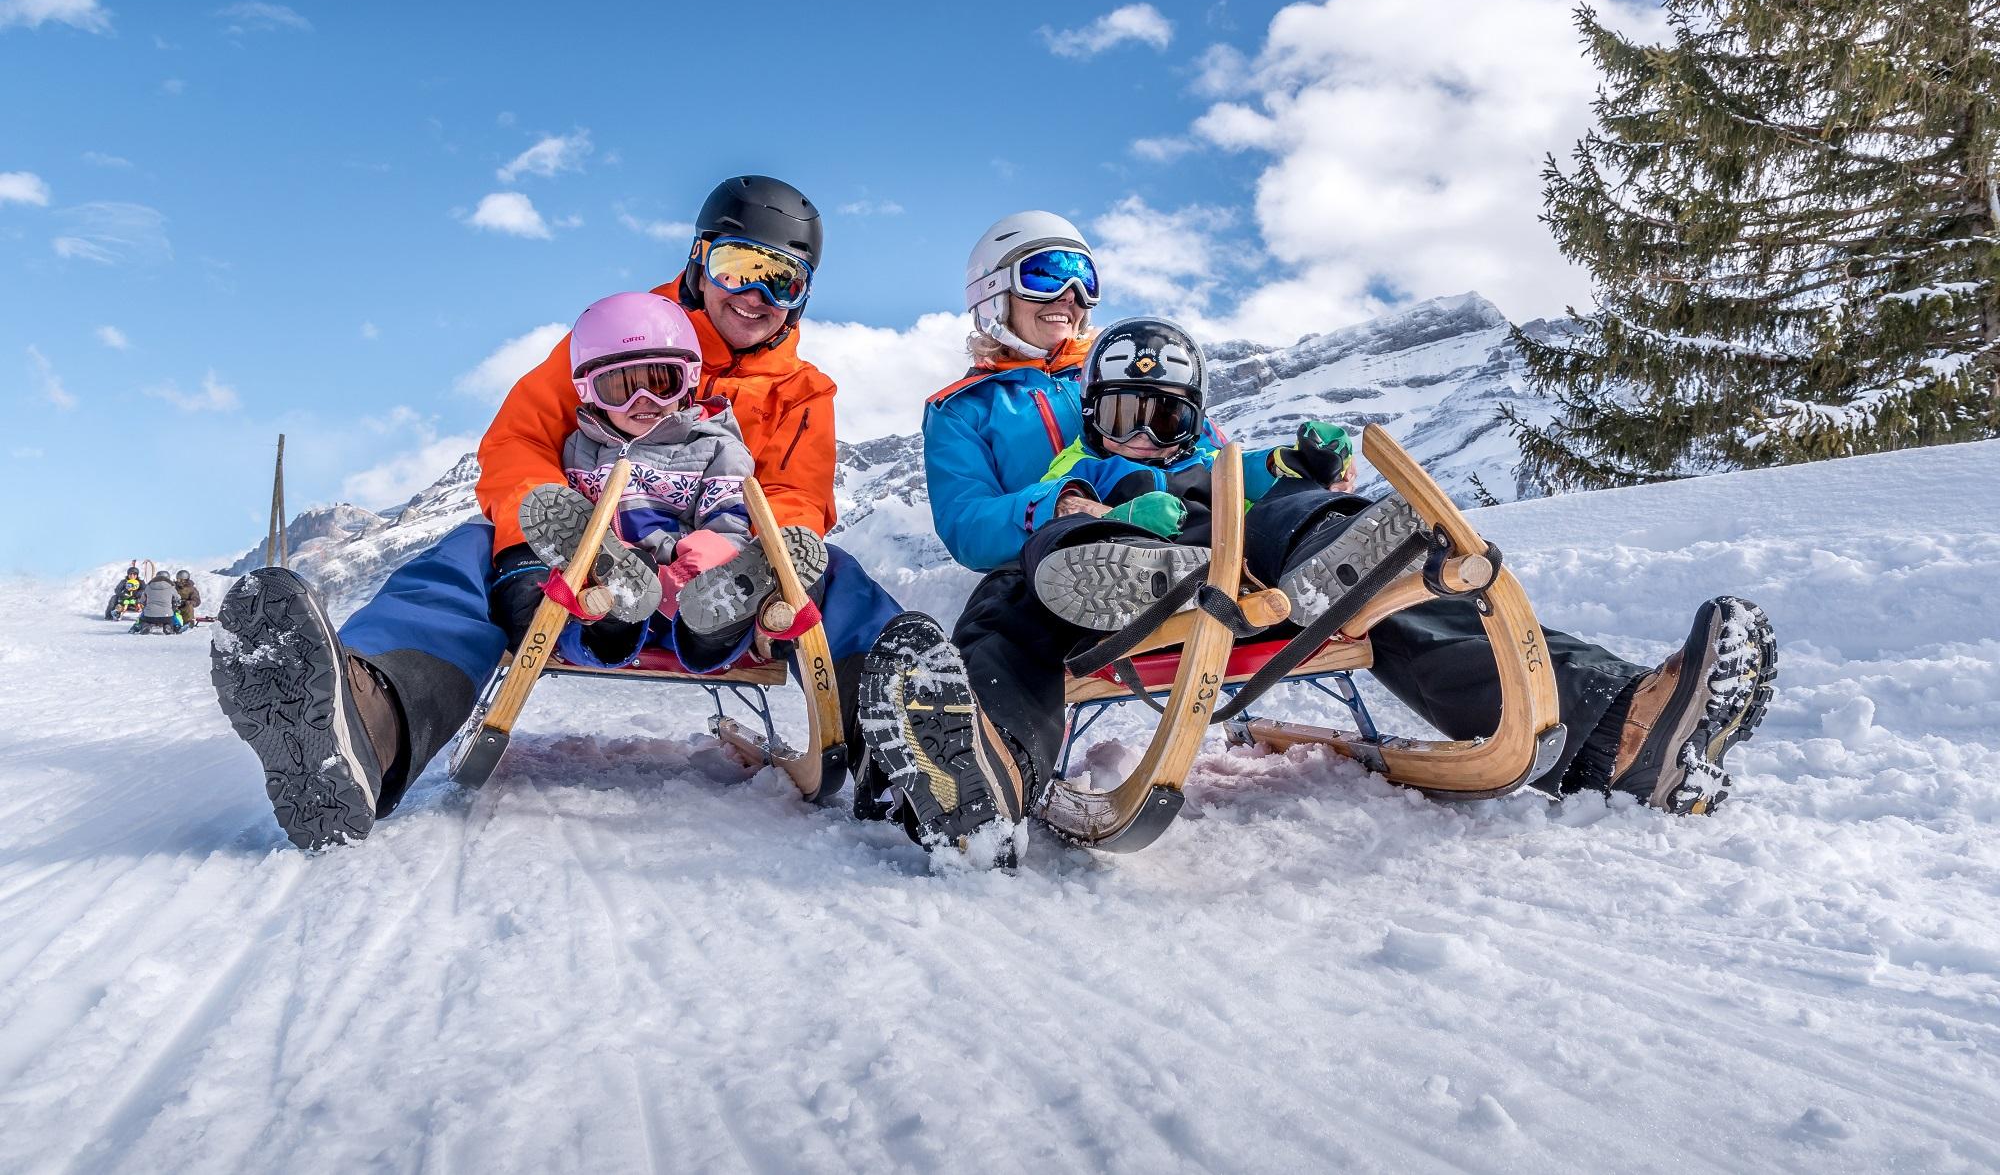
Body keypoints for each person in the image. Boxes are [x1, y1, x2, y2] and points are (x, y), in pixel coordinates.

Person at [855, 215, 1779, 866]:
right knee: (1012, 601)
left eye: (1082, 280)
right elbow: (968, 525)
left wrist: (1294, 472)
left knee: (1359, 573)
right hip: (1074, 571)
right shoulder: (966, 411)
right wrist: (1076, 499)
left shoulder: (1144, 367)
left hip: (1213, 561)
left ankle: (1624, 732)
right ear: (993, 297)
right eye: (1044, 280)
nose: (1070, 299)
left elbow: (1232, 465)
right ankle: (983, 771)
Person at [212, 175, 902, 850]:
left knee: (832, 573)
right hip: (586, 579)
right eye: (740, 267)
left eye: (783, 281)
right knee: (466, 552)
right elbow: (519, 442)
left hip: (721, 595)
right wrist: (557, 532)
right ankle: (371, 714)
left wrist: (741, 546)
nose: (757, 296)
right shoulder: (613, 336)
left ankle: (906, 743)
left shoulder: (801, 394)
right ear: (699, 260)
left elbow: (799, 497)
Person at [516, 290, 828, 674]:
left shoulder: (716, 449)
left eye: (662, 382)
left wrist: (685, 574)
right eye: (619, 388)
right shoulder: (579, 450)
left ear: (690, 380)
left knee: (713, 601)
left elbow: (728, 525)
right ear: (589, 393)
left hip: (689, 594)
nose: (642, 400)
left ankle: (716, 619)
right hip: (612, 605)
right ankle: (614, 594)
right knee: (592, 604)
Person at [132, 569, 185, 635]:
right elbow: (178, 599)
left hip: (149, 615)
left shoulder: (148, 587)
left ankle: (145, 626)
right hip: (166, 616)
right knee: (172, 616)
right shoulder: (171, 587)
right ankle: (168, 626)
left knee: (144, 617)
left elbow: (142, 600)